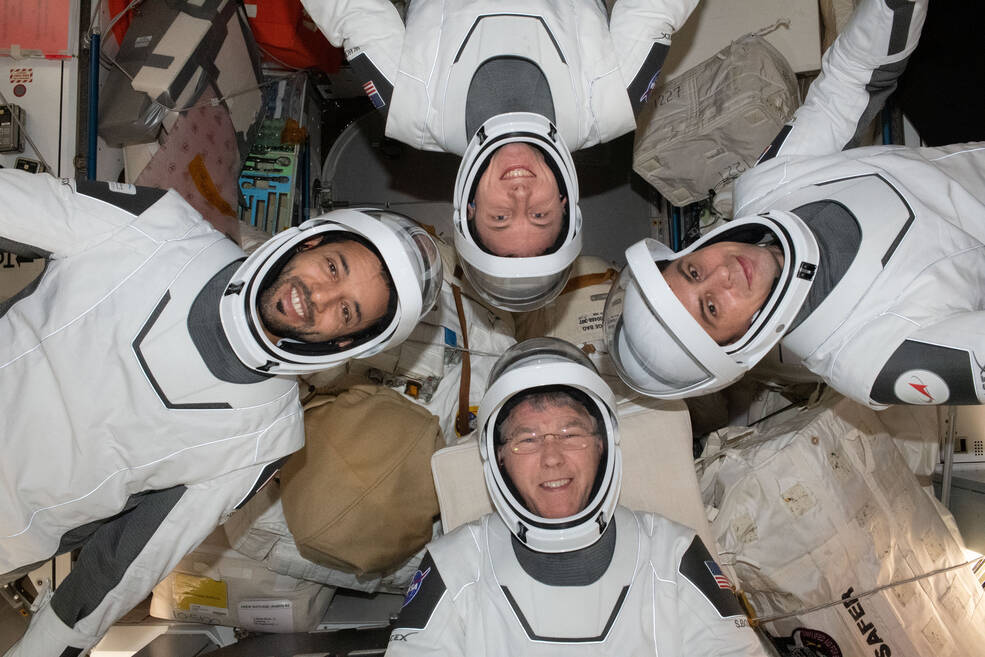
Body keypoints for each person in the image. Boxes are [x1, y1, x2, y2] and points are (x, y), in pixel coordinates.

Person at [0, 169, 441, 656]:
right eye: (333, 268)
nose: (319, 297)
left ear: (346, 341)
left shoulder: (267, 434)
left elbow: (128, 563)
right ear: (307, 244)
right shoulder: (160, 225)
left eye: (347, 311)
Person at [603, 0, 985, 409]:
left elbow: (851, 81)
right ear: (738, 344)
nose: (723, 273)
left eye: (693, 270)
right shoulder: (867, 359)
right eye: (711, 307)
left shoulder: (767, 187)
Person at [302, 0, 698, 310]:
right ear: (566, 205)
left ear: (470, 207)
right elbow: (656, 8)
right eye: (539, 215)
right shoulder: (613, 105)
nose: (520, 196)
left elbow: (351, 10)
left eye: (501, 216)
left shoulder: (410, 110)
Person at [386, 338, 765, 655]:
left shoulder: (673, 553)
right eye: (527, 439)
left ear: (603, 445)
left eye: (571, 433)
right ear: (496, 456)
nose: (552, 457)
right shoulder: (455, 564)